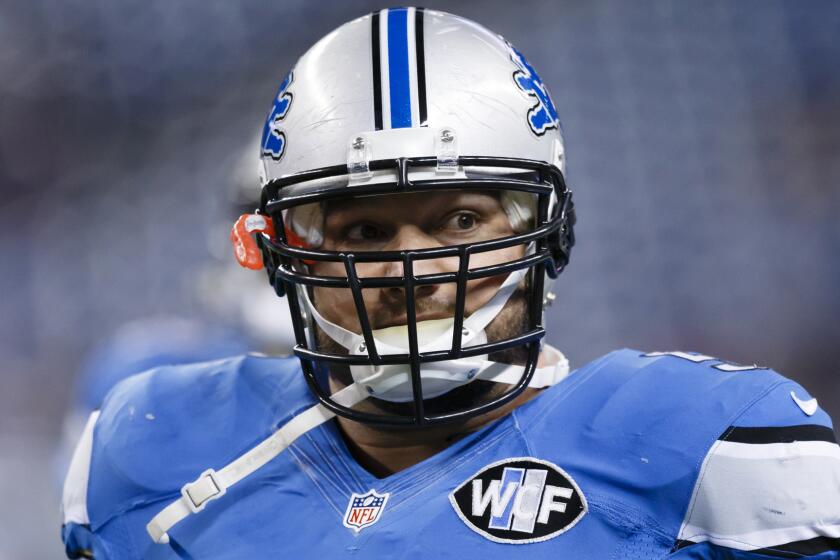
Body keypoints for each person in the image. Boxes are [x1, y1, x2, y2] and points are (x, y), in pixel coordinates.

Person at [61, 8, 840, 559]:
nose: (416, 269)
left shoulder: (710, 446)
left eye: (460, 221)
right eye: (364, 230)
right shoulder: (152, 449)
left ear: (545, 230)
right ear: (280, 253)